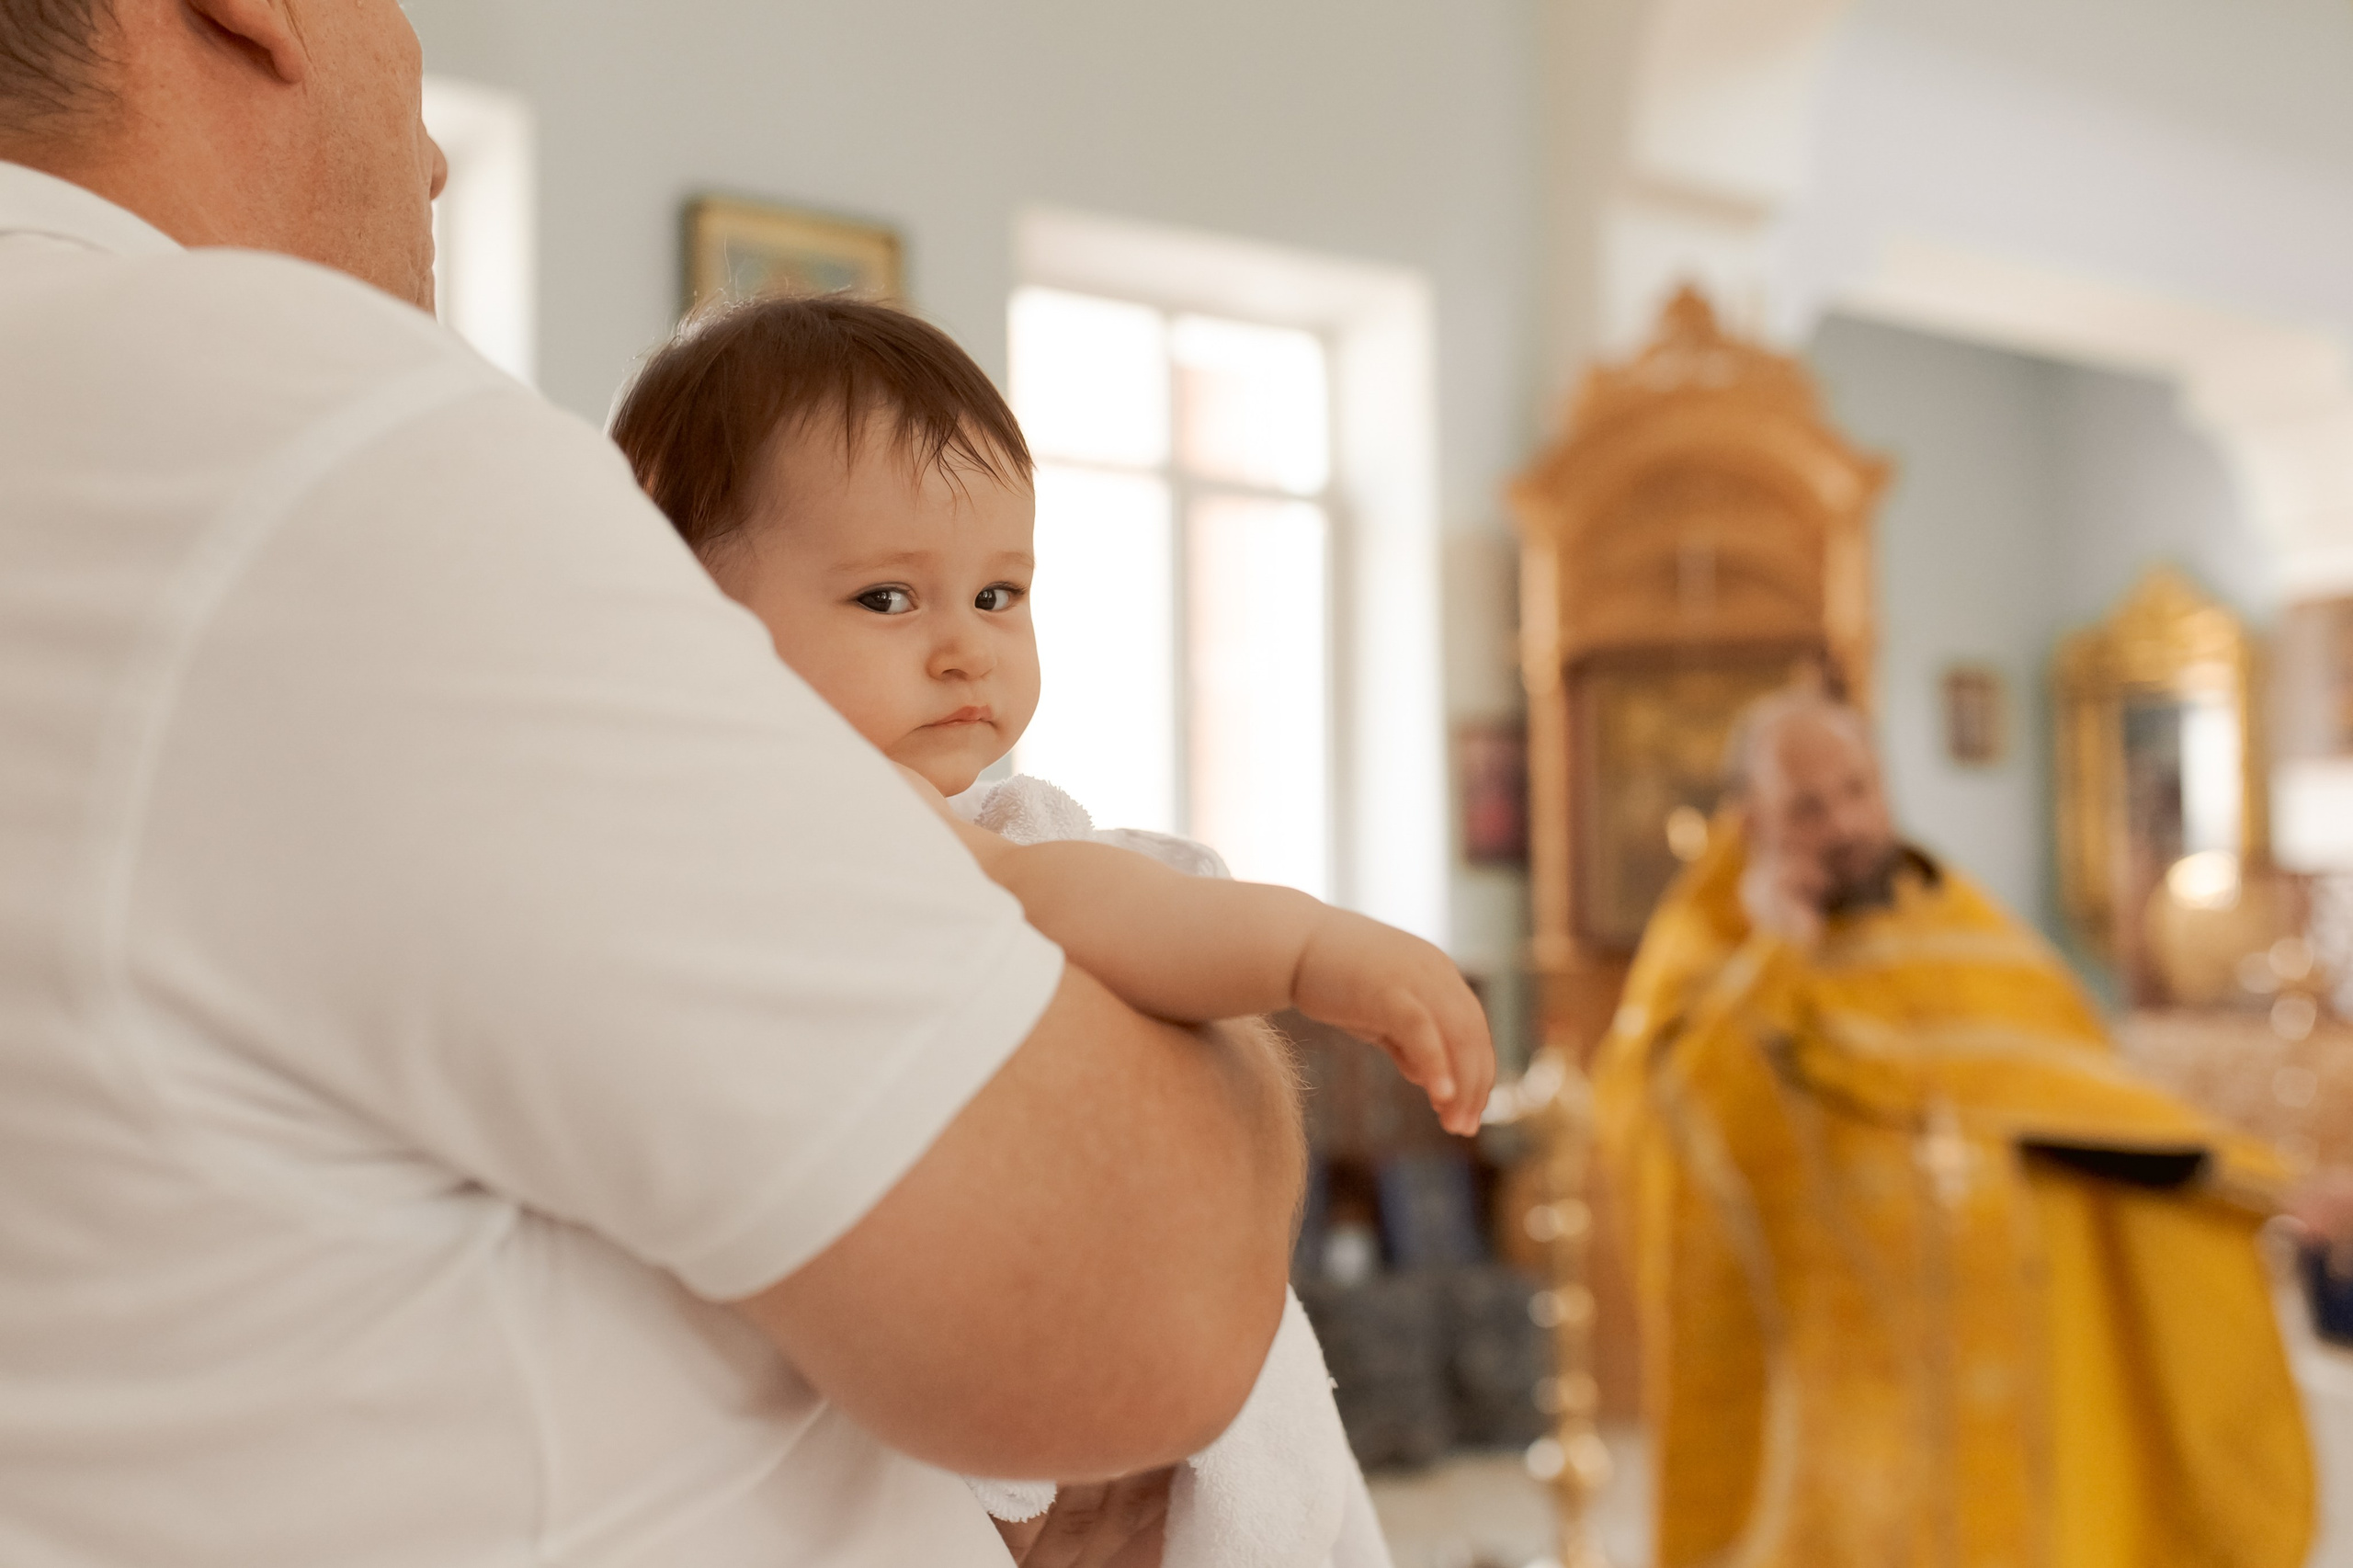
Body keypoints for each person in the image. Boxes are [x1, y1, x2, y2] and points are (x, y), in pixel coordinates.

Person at [0, 3, 1428, 1563]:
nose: (426, 155)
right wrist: (1238, 1000)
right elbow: (1139, 1309)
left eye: (1001, 595)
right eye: (888, 598)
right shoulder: (291, 430)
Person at [607, 292, 1494, 1567]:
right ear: (696, 622)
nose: (967, 647)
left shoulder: (982, 810)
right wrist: (1308, 951)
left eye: (1000, 591)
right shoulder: (830, 815)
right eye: (886, 600)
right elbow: (1068, 901)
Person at [1593, 686, 2313, 1568]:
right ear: (1750, 820)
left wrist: (2248, 1182)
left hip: (2010, 1343)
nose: (1845, 823)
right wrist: (1776, 951)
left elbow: (2078, 1102)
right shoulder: (1713, 945)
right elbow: (1668, 1112)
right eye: (1808, 808)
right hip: (1833, 1377)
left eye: (1858, 790)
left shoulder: (1969, 927)